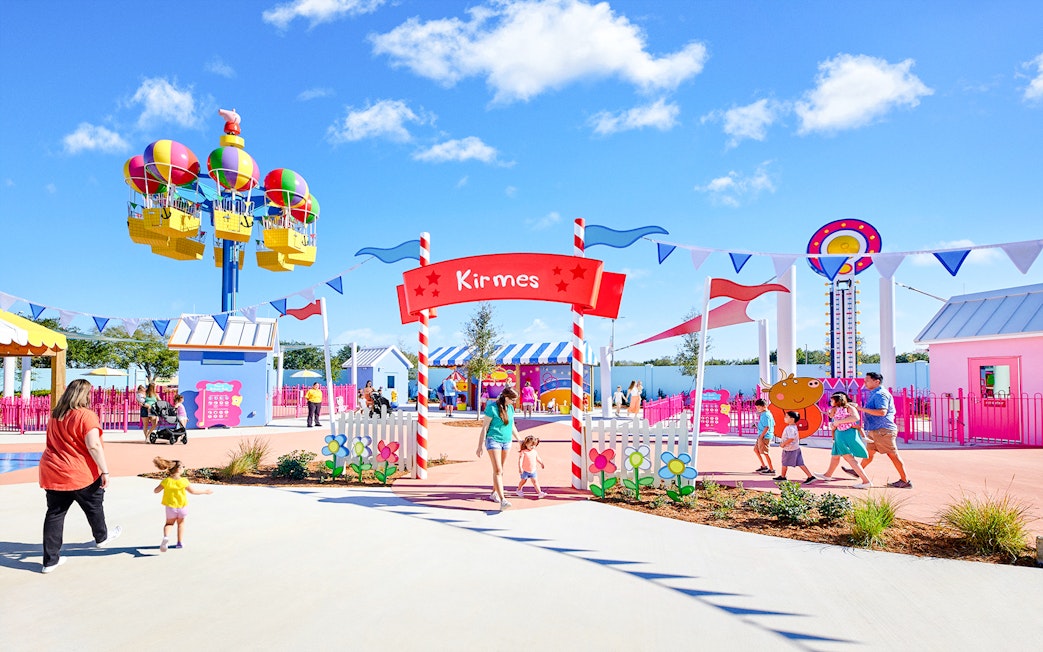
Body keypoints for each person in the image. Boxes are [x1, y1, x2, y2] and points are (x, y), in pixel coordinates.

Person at [38, 379, 122, 573]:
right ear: (85, 395)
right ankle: (101, 537)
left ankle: (50, 562)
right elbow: (94, 445)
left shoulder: (55, 415)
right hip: (79, 471)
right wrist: (105, 471)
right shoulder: (86, 416)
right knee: (94, 505)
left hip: (53, 470)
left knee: (55, 514)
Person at [845, 372, 912, 488]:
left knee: (893, 455)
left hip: (883, 430)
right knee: (869, 453)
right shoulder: (874, 393)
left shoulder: (880, 394)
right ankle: (857, 471)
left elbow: (882, 412)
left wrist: (860, 408)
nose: (864, 382)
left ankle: (905, 480)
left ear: (877, 382)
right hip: (875, 429)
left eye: (867, 380)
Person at [152, 457, 213, 551]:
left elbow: (156, 491)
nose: (184, 468)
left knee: (169, 524)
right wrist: (205, 491)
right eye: (183, 466)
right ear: (179, 469)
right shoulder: (184, 481)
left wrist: (160, 488)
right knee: (181, 524)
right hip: (182, 507)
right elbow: (193, 491)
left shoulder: (166, 481)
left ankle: (166, 537)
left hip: (170, 508)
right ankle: (179, 543)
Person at [476, 386, 521, 511]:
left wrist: (519, 439)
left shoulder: (510, 408)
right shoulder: (492, 408)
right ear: (506, 397)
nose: (514, 402)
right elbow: (485, 427)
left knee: (500, 470)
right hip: (493, 440)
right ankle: (503, 500)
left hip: (507, 441)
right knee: (498, 470)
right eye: (513, 399)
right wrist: (480, 446)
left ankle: (493, 493)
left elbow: (512, 426)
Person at [819, 392, 873, 488]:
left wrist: (838, 422)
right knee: (835, 455)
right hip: (839, 433)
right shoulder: (840, 408)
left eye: (832, 400)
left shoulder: (848, 408)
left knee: (849, 458)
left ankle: (866, 481)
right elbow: (832, 417)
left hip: (844, 434)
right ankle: (828, 475)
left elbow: (856, 417)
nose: (830, 402)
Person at [775, 411, 823, 484]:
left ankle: (783, 476)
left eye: (786, 417)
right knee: (800, 463)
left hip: (789, 449)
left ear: (792, 419)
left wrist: (783, 444)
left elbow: (791, 438)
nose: (784, 418)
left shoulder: (789, 428)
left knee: (784, 463)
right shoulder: (793, 427)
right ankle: (810, 476)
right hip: (796, 448)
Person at [752, 398, 776, 474]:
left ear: (764, 406)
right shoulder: (766, 414)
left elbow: (767, 427)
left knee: (765, 453)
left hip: (764, 436)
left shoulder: (766, 415)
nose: (758, 409)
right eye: (757, 407)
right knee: (756, 450)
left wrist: (761, 436)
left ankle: (772, 469)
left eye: (759, 407)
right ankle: (763, 466)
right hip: (762, 435)